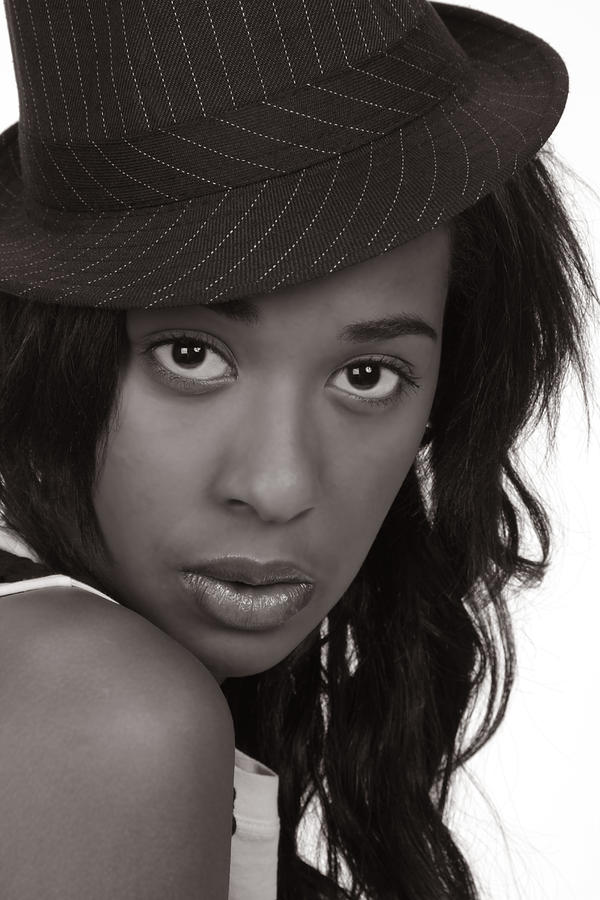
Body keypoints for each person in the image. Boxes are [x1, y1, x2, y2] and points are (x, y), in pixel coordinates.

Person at [0, 0, 595, 898]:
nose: (277, 486)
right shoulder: (107, 713)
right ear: (52, 351)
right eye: (190, 355)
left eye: (367, 375)